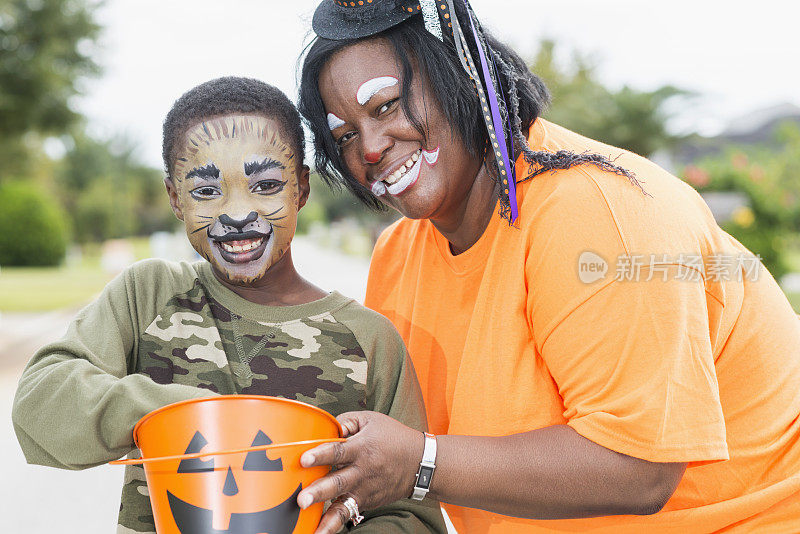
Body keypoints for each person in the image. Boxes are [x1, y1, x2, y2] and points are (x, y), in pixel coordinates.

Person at [295, 1, 800, 532]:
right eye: (345, 136)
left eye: (387, 106)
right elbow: (398, 450)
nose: (371, 147)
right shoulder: (396, 256)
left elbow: (641, 469)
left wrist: (418, 465)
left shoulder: (597, 214)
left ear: (462, 77)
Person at [12, 77, 446, 533]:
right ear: (175, 198)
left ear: (301, 188)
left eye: (265, 185)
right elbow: (41, 402)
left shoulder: (369, 341)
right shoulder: (149, 295)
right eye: (205, 191)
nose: (237, 213)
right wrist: (182, 416)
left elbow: (413, 517)